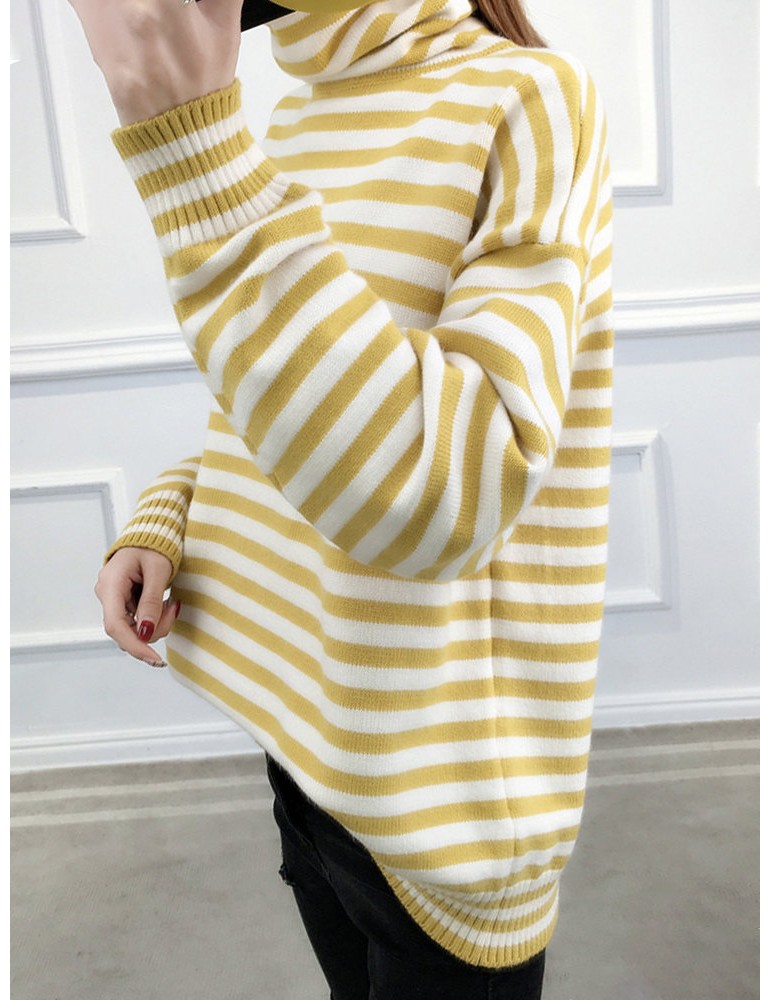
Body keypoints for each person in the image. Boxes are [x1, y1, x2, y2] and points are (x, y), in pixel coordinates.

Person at [72, 0, 614, 995]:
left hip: (439, 796)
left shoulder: (529, 99)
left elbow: (449, 495)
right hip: (306, 739)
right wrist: (172, 513)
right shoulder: (302, 112)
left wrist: (198, 161)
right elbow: (289, 404)